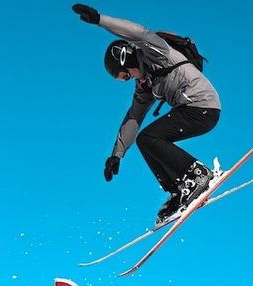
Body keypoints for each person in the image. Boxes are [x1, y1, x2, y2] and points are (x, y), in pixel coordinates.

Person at [72, 4, 222, 224]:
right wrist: (116, 154)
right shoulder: (146, 84)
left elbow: (139, 33)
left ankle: (198, 174)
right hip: (192, 110)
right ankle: (179, 190)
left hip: (203, 106)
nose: (128, 80)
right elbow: (134, 117)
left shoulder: (156, 52)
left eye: (124, 75)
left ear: (126, 59)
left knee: (150, 137)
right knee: (145, 140)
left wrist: (100, 20)